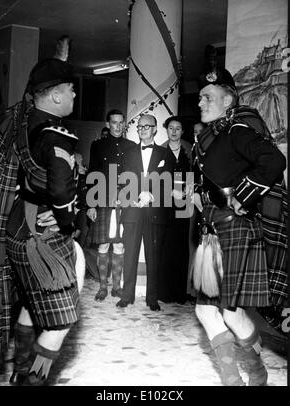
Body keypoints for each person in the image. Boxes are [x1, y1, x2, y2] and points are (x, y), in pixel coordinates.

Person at [192, 67, 286, 386]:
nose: (201, 103)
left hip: (234, 231)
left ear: (229, 99)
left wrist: (242, 197)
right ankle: (247, 375)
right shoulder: (213, 136)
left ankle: (243, 377)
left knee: (219, 311)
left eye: (208, 97)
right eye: (200, 97)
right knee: (220, 312)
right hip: (214, 233)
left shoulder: (238, 130)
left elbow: (273, 161)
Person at [0, 58, 85, 386]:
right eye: (71, 90)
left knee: (31, 303)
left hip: (16, 228)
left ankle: (19, 369)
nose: (75, 96)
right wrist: (68, 219)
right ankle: (31, 381)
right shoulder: (56, 134)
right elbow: (61, 191)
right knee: (60, 322)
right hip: (42, 237)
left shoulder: (23, 120)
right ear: (57, 97)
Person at [116, 114, 169, 311]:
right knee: (129, 254)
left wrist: (151, 194)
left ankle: (152, 299)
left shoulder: (165, 154)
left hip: (155, 211)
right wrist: (139, 193)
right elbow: (123, 178)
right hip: (132, 208)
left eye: (148, 126)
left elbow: (168, 179)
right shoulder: (127, 152)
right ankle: (126, 296)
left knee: (153, 256)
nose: (143, 129)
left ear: (155, 129)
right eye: (140, 127)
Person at [87, 109, 134, 301]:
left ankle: (116, 287)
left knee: (120, 245)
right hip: (103, 202)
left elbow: (135, 176)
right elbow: (92, 174)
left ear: (124, 124)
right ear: (108, 124)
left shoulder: (132, 146)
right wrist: (90, 204)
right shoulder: (97, 146)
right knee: (104, 245)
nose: (118, 126)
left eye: (121, 122)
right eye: (114, 122)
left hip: (124, 202)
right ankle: (102, 287)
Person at [158, 116, 192, 304]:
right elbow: (154, 178)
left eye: (178, 128)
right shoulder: (160, 150)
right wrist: (170, 192)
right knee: (166, 245)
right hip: (166, 203)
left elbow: (195, 174)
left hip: (184, 203)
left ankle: (180, 293)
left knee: (181, 245)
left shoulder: (190, 150)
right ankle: (164, 292)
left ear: (182, 131)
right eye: (171, 128)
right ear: (166, 129)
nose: (174, 131)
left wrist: (190, 188)